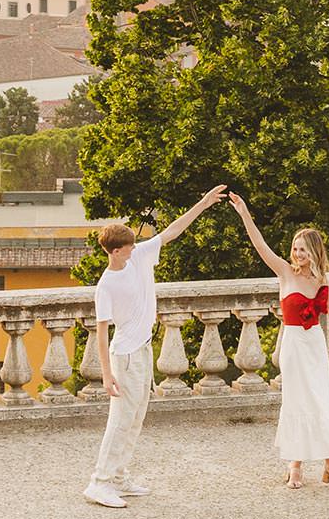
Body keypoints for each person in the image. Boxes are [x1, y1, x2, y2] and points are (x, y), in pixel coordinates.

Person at [83, 184, 227, 509]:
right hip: (126, 357)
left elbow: (173, 231)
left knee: (135, 419)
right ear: (115, 251)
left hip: (143, 350)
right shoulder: (106, 286)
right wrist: (106, 376)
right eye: (129, 248)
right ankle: (100, 482)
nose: (136, 250)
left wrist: (202, 203)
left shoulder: (140, 257)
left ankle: (118, 478)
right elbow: (102, 333)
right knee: (120, 420)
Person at [229, 192, 329, 489]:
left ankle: (319, 465)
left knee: (320, 403)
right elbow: (260, 245)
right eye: (295, 249)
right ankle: (310, 466)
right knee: (297, 401)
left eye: (303, 250)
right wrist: (245, 212)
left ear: (315, 252)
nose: (297, 254)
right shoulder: (285, 273)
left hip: (315, 347)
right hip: (294, 346)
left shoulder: (323, 282)